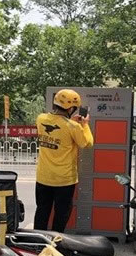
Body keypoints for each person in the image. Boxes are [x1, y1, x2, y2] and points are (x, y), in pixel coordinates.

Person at [34, 89, 94, 232]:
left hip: (43, 178)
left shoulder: (41, 119)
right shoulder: (73, 127)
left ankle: (37, 240)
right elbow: (87, 143)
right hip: (64, 180)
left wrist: (71, 123)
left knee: (42, 210)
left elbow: (59, 128)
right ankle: (56, 240)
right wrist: (85, 124)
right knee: (61, 214)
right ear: (71, 108)